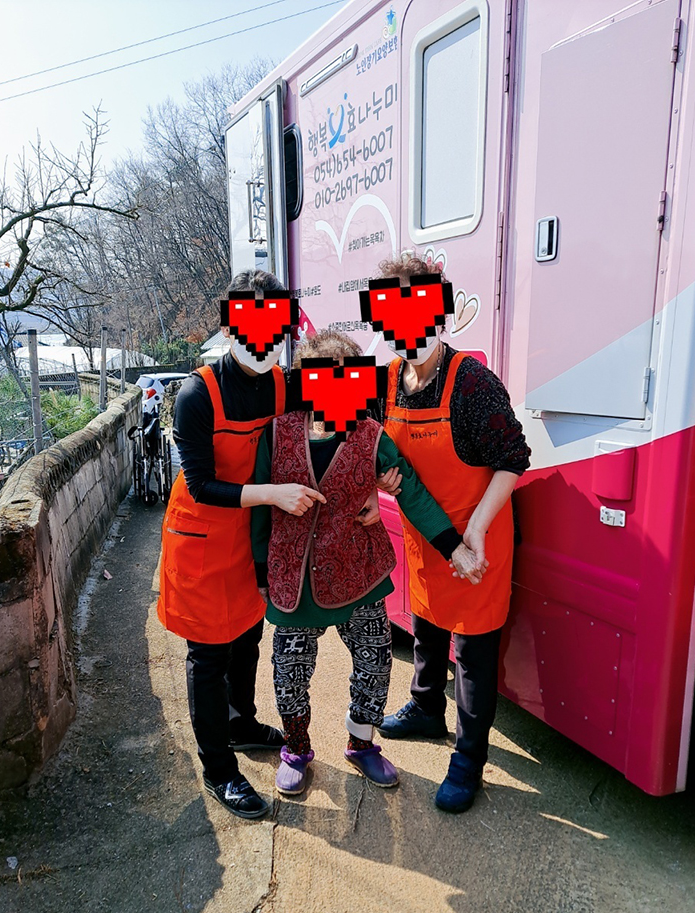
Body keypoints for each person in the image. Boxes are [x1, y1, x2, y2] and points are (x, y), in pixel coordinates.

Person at [251, 329, 477, 797]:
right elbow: (258, 510)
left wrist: (454, 547)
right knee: (289, 671)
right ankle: (296, 749)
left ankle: (361, 743)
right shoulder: (277, 432)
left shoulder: (371, 436)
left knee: (375, 661)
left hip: (359, 573)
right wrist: (260, 570)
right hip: (295, 578)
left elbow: (411, 491)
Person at [158, 269, 325, 821]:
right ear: (229, 326)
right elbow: (201, 484)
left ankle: (241, 721)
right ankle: (218, 769)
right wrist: (273, 494)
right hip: (202, 539)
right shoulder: (196, 394)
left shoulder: (281, 382)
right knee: (209, 655)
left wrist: (379, 473)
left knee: (249, 633)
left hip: (250, 539)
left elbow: (346, 401)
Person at [371, 253, 531, 814]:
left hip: (477, 539)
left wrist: (476, 533)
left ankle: (469, 757)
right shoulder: (386, 381)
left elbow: (514, 458)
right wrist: (381, 483)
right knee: (426, 626)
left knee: (472, 651)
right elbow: (379, 453)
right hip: (427, 538)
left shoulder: (472, 383)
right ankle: (424, 708)